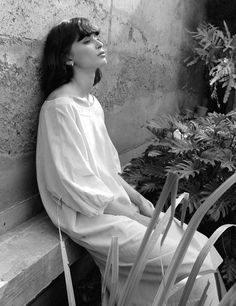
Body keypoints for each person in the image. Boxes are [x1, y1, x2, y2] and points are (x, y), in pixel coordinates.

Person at [36, 17, 222, 305]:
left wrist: (141, 202)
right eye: (86, 41)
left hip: (115, 205)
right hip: (91, 217)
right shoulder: (59, 108)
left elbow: (107, 170)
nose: (98, 42)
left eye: (97, 36)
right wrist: (132, 215)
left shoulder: (91, 104)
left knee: (198, 245)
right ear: (67, 57)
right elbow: (75, 185)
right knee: (189, 261)